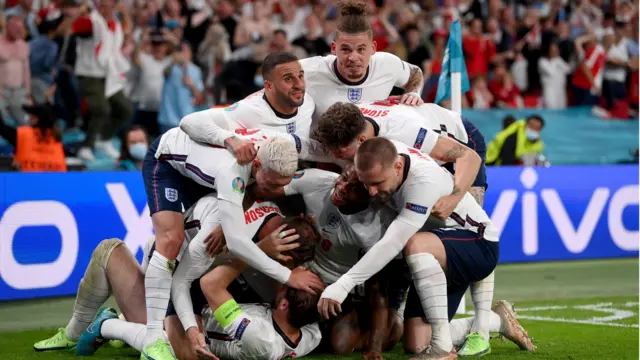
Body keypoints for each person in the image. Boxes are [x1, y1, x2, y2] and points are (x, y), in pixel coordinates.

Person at [139, 126, 327, 360]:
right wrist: (191, 328)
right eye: (289, 265)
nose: (289, 271)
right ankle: (120, 328)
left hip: (202, 269)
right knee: (185, 353)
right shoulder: (221, 236)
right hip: (176, 266)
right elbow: (184, 281)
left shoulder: (267, 204)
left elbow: (253, 194)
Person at [33, 193, 287, 353]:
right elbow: (181, 280)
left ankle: (123, 323)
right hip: (172, 282)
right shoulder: (218, 232)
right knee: (108, 250)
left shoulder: (267, 246)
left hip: (188, 287)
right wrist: (189, 326)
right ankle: (87, 329)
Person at [317, 138, 500, 359]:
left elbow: (393, 243)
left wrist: (343, 284)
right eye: (367, 184)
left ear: (397, 167)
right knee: (415, 342)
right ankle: (495, 321)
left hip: (479, 244)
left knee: (413, 243)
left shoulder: (422, 184)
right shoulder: (387, 153)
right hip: (440, 250)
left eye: (378, 183)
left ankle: (442, 348)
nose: (372, 192)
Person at [312, 100, 487, 208]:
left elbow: (468, 156)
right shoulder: (350, 116)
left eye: (340, 151)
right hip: (422, 123)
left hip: (460, 137)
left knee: (468, 211)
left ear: (362, 139)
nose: (334, 156)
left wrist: (454, 199)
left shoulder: (403, 133)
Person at [299, 0, 424, 123]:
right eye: (346, 49)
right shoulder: (312, 69)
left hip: (370, 142)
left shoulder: (387, 64)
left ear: (373, 48)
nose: (353, 57)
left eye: (361, 49)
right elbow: (279, 71)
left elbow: (415, 72)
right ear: (333, 48)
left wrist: (414, 94)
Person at [179, 51, 315, 163]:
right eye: (288, 79)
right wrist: (231, 141)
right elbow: (189, 121)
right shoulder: (249, 110)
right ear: (268, 86)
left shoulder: (309, 102)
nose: (299, 84)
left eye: (301, 76)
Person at [0, 103, 66, 172]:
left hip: (29, 180)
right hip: (57, 180)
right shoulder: (56, 137)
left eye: (31, 116)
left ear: (36, 119)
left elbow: (1, 128)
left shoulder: (23, 135)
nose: (29, 118)